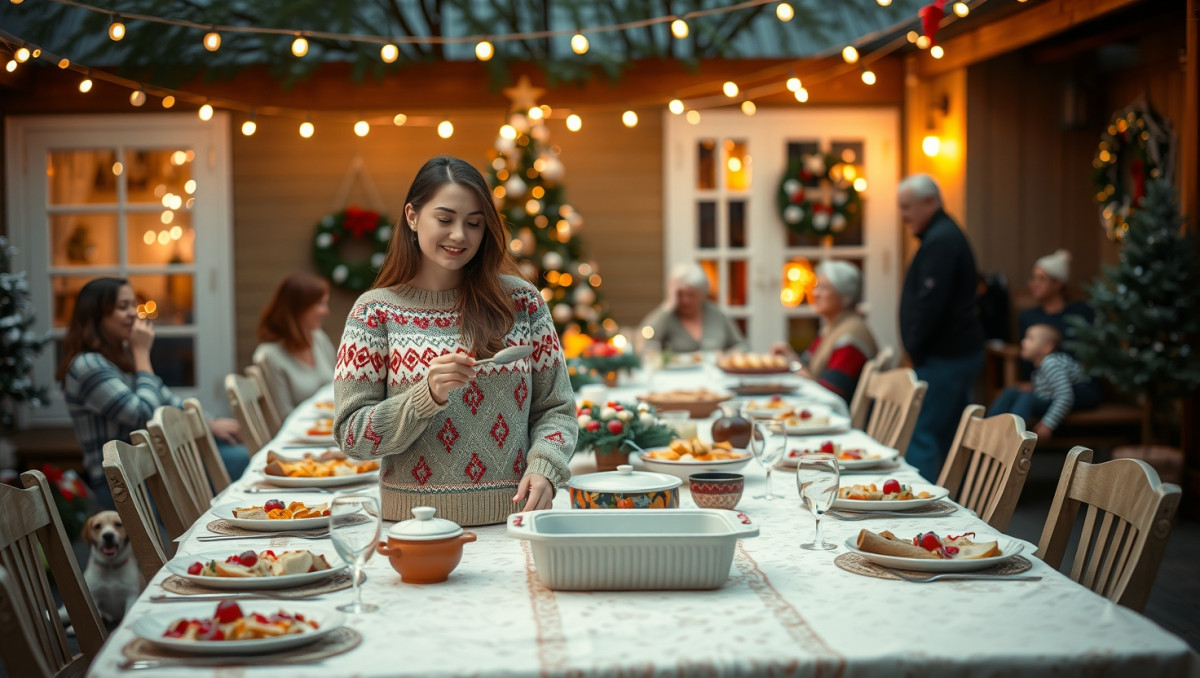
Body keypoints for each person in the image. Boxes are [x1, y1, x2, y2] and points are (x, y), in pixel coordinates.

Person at [333, 156, 576, 526]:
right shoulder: (374, 313)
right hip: (415, 528)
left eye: (474, 223)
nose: (460, 235)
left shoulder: (522, 302)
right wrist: (424, 396)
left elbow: (556, 409)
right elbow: (352, 436)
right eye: (445, 219)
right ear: (412, 217)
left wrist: (545, 466)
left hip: (514, 523)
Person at [58, 278, 246, 510]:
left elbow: (167, 399)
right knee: (240, 461)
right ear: (96, 315)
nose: (133, 314)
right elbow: (143, 414)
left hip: (151, 470)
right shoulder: (87, 366)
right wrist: (142, 354)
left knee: (235, 454)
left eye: (133, 306)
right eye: (122, 307)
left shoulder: (117, 361)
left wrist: (209, 422)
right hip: (124, 483)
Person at [897, 174, 986, 482]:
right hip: (952, 353)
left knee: (922, 432)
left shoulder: (942, 241)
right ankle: (958, 504)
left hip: (945, 355)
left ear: (929, 202)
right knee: (950, 435)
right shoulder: (942, 235)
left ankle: (914, 508)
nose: (903, 215)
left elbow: (930, 305)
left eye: (907, 206)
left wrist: (915, 347)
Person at [770, 260, 877, 403]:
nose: (815, 293)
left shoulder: (850, 337)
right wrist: (790, 357)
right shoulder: (833, 327)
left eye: (824, 288)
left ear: (846, 297)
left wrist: (794, 370)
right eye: (816, 287)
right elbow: (807, 366)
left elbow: (831, 391)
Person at [1016, 251, 1099, 410]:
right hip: (1042, 383)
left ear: (1058, 284)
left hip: (1076, 385)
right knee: (1014, 395)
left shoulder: (1081, 313)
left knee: (1027, 400)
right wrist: (1029, 382)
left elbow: (1091, 350)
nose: (1034, 284)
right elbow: (1026, 359)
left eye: (1041, 279)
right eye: (1033, 278)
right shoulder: (1028, 317)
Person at [253, 273, 336, 414]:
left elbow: (340, 387)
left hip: (329, 427)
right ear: (298, 308)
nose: (326, 311)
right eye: (319, 304)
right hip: (302, 434)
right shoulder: (269, 356)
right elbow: (282, 416)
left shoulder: (319, 339)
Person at [988, 324, 1086, 440]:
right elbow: (1050, 385)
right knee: (1012, 391)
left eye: (1030, 339)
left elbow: (1065, 396)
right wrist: (1033, 386)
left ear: (1047, 348)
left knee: (1027, 399)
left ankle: (1011, 438)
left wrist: (1048, 423)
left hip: (1079, 398)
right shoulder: (1044, 363)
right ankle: (988, 429)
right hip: (1054, 397)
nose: (1023, 342)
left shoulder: (1051, 364)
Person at [639, 262, 747, 353]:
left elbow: (742, 345)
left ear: (703, 294)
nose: (685, 300)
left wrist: (731, 354)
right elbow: (643, 340)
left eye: (691, 294)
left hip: (714, 376)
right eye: (680, 294)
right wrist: (668, 305)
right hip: (677, 377)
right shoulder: (668, 317)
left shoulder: (717, 315)